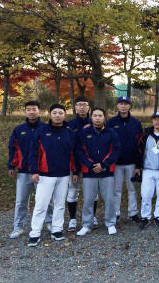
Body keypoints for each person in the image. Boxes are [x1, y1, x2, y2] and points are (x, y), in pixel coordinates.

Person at [27, 104, 78, 247]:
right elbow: (33, 152)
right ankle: (35, 233)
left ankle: (57, 230)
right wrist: (34, 171)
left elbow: (73, 153)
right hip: (45, 174)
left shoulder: (69, 131)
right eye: (54, 113)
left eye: (60, 113)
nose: (57, 115)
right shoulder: (41, 131)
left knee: (60, 204)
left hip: (63, 174)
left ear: (64, 115)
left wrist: (74, 171)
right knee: (41, 204)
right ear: (50, 114)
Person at [75, 108, 120, 236]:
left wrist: (104, 164)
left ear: (104, 117)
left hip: (106, 171)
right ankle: (86, 225)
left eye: (100, 115)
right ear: (92, 117)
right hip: (89, 171)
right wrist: (90, 165)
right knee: (89, 199)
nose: (98, 118)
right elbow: (79, 151)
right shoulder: (84, 133)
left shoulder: (111, 132)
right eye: (95, 115)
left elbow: (115, 150)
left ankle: (110, 224)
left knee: (109, 199)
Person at [7, 101, 48, 239]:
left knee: (46, 200)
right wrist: (11, 165)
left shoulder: (46, 128)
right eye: (28, 109)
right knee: (21, 201)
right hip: (24, 171)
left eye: (34, 109)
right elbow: (13, 148)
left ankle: (49, 223)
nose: (31, 112)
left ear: (39, 111)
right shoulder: (19, 129)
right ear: (25, 112)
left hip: (42, 171)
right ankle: (18, 226)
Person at [108, 96, 143, 223]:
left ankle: (133, 213)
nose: (123, 106)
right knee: (116, 190)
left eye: (126, 104)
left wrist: (139, 165)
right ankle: (116, 213)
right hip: (116, 163)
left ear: (129, 106)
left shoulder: (136, 123)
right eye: (121, 103)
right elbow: (108, 142)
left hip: (132, 163)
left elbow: (140, 144)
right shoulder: (111, 122)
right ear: (117, 105)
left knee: (132, 189)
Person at [66, 96, 97, 232]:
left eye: (85, 104)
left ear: (88, 107)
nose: (82, 107)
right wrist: (74, 166)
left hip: (90, 164)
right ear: (75, 107)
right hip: (75, 164)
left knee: (93, 193)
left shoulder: (94, 122)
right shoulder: (70, 125)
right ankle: (72, 219)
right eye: (79, 105)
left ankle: (92, 217)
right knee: (73, 192)